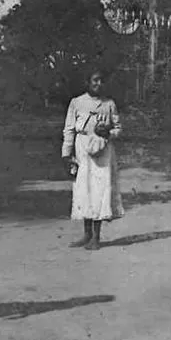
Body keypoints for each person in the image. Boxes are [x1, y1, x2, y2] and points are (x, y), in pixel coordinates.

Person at [61, 69, 123, 250]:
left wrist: (109, 132)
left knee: (100, 191)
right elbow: (69, 129)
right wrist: (67, 154)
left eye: (101, 81)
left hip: (102, 151)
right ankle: (87, 234)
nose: (98, 84)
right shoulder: (77, 103)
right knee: (84, 190)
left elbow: (118, 127)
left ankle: (97, 237)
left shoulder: (109, 104)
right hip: (82, 150)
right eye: (95, 80)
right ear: (87, 82)